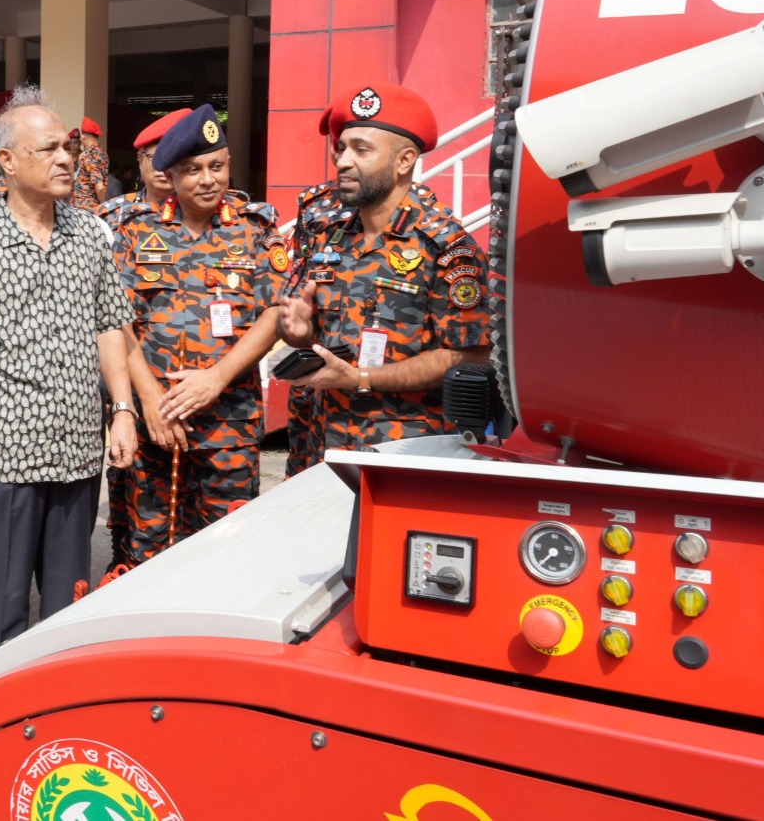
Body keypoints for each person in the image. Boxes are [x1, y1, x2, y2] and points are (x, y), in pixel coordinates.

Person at [0, 90, 139, 664]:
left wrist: (122, 410)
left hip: (77, 453)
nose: (66, 158)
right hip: (2, 455)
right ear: (8, 161)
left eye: (68, 147)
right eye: (48, 149)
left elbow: (110, 328)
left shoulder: (91, 236)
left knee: (69, 601)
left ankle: (55, 702)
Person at [112, 106, 288, 560]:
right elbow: (117, 322)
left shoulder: (255, 229)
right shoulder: (135, 231)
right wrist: (150, 399)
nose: (208, 180)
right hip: (158, 421)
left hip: (229, 419)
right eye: (193, 170)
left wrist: (216, 378)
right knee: (148, 546)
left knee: (227, 549)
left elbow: (274, 312)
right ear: (169, 175)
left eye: (217, 166)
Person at [280, 83, 492, 459]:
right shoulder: (326, 232)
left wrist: (360, 378)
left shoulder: (444, 245)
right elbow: (316, 335)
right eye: (342, 148)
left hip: (399, 449)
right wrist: (300, 333)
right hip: (318, 439)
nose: (343, 161)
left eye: (361, 150)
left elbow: (470, 355)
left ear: (404, 161)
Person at [93, 108, 189, 567]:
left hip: (189, 376)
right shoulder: (114, 217)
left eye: (173, 157)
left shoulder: (218, 217)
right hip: (126, 373)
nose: (163, 167)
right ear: (140, 162)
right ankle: (122, 554)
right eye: (154, 157)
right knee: (126, 472)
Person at [71, 116, 109, 210]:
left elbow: (99, 187)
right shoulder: (101, 153)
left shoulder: (90, 155)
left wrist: (104, 209)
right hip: (88, 206)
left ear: (83, 137)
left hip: (86, 207)